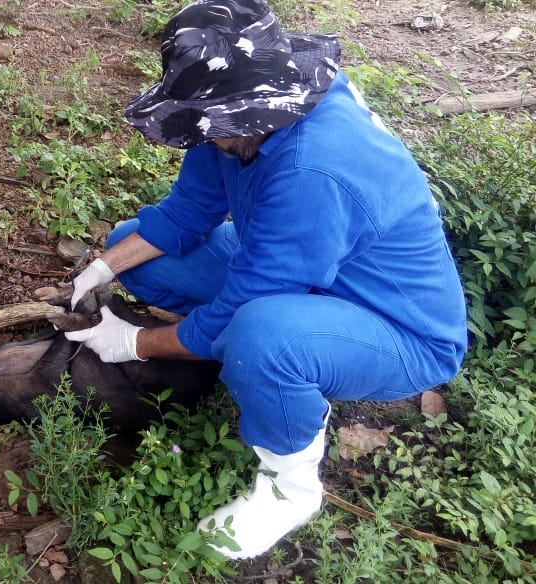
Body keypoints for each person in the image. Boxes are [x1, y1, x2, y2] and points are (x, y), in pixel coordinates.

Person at [66, 0, 468, 560]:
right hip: (300, 267)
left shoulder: (314, 166)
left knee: (261, 332)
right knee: (142, 251)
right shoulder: (241, 121)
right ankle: (262, 363)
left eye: (215, 128)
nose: (209, 140)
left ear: (253, 115)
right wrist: (106, 265)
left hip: (398, 330)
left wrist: (133, 343)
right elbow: (188, 212)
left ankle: (289, 486)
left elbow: (245, 307)